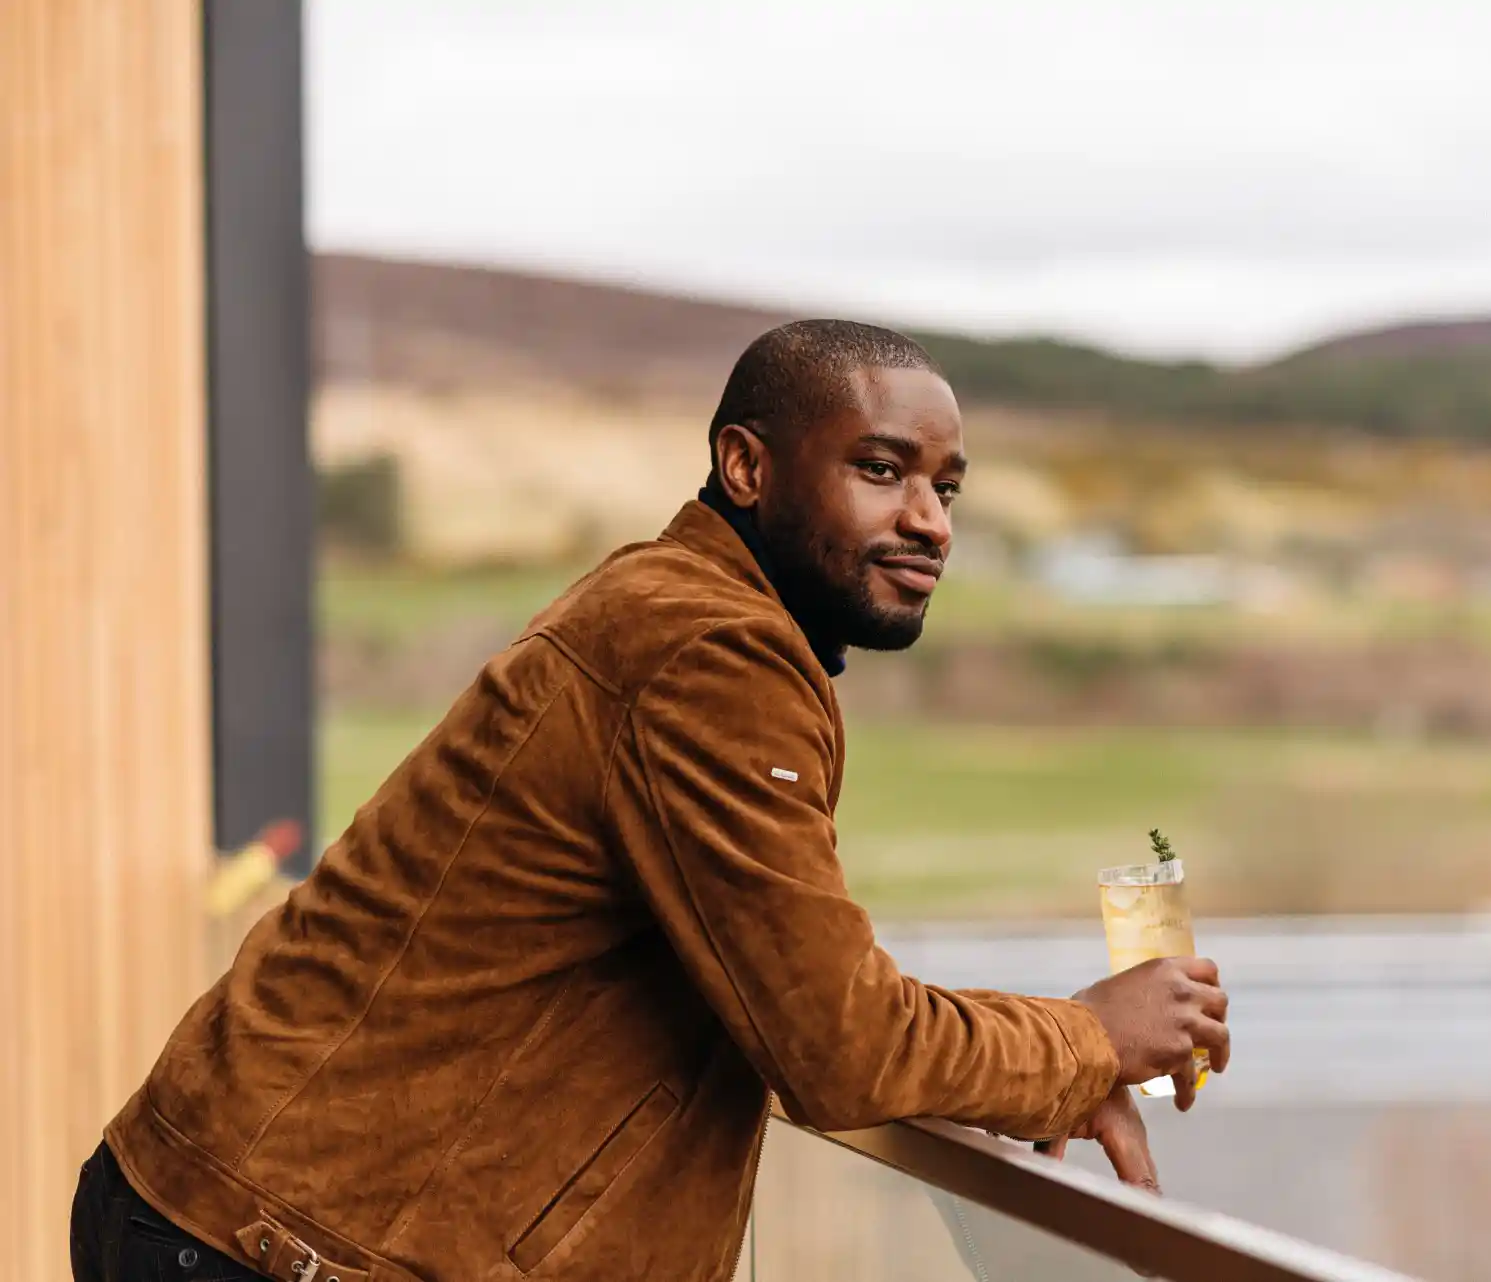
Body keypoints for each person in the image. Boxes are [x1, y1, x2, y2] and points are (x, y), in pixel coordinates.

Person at [71, 321, 1230, 1282]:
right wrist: (1085, 1038)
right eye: (882, 469)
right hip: (274, 1242)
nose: (930, 520)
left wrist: (1020, 1066)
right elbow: (836, 1044)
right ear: (747, 467)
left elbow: (792, 982)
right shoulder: (711, 652)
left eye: (946, 486)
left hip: (231, 1208)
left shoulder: (671, 608)